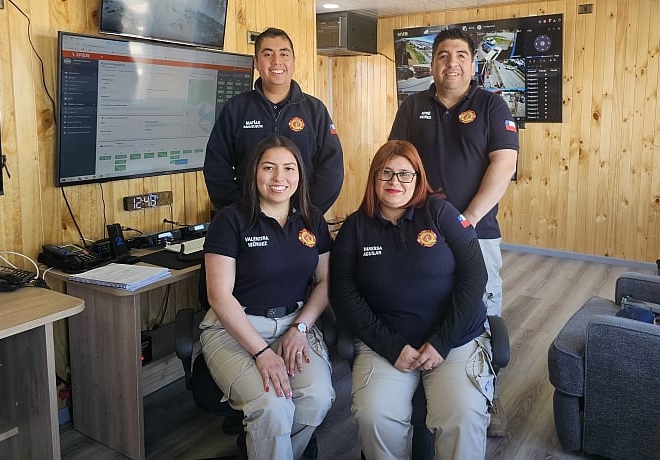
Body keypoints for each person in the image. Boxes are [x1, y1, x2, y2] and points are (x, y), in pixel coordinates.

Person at [388, 27, 519, 436]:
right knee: (427, 305)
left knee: (481, 310)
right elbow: (395, 162)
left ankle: (486, 394)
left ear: (473, 61)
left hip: (476, 233)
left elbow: (504, 166)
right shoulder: (412, 107)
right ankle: (427, 384)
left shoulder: (491, 106)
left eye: (460, 55)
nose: (452, 63)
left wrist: (467, 219)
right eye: (444, 55)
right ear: (433, 63)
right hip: (419, 233)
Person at [329, 140, 494, 459]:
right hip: (385, 344)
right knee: (374, 414)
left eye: (405, 174)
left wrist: (443, 341)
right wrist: (390, 346)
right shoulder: (355, 227)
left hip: (454, 341)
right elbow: (344, 292)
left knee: (463, 413)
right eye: (386, 173)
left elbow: (474, 277)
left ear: (419, 178)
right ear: (373, 178)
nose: (394, 182)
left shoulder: (441, 213)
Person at [199, 135, 335, 459]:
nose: (279, 178)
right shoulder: (230, 220)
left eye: (289, 168)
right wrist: (262, 352)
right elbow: (219, 296)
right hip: (236, 327)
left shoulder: (312, 218)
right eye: (269, 168)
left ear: (300, 174)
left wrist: (300, 329)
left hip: (293, 323)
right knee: (272, 407)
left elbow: (325, 280)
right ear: (253, 172)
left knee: (317, 396)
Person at [204, 27, 344, 214]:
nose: (276, 61)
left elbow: (332, 170)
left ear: (293, 61)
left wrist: (306, 212)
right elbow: (216, 166)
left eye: (284, 54)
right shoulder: (236, 109)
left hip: (301, 223)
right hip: (247, 223)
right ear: (256, 62)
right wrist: (240, 212)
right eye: (268, 54)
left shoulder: (315, 110)